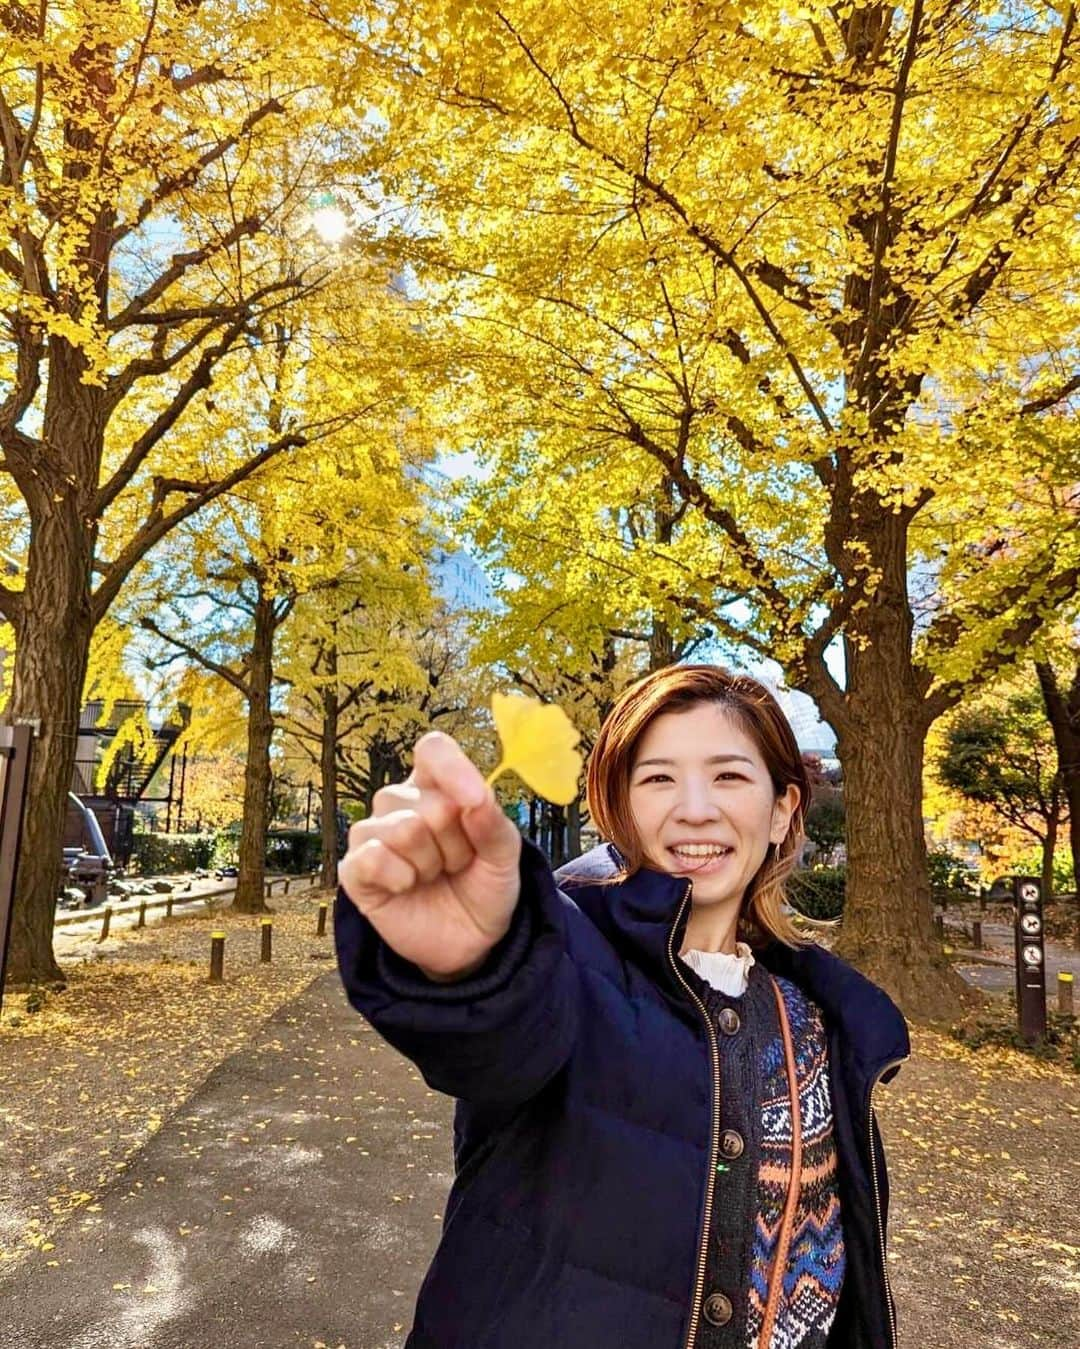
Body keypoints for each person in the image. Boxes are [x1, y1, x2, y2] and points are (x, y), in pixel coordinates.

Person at [335, 664, 910, 1349]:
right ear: (620, 806)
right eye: (658, 777)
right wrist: (468, 956)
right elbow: (501, 1028)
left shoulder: (819, 1021)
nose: (695, 807)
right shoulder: (568, 959)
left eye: (728, 775)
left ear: (783, 807)